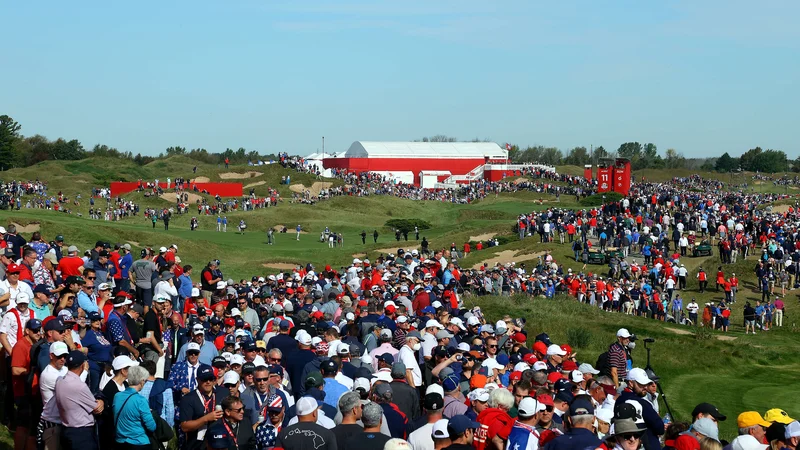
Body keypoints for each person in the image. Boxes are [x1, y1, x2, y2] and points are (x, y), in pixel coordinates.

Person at [55, 350, 104, 450]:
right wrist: (101, 402)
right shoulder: (80, 386)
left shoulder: (59, 381)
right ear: (83, 365)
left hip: (66, 430)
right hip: (81, 435)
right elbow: (97, 408)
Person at [113, 365, 156, 450]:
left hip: (120, 442)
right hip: (139, 442)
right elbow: (151, 427)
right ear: (142, 381)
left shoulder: (117, 396)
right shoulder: (141, 400)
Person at [179, 365, 223, 450]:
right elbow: (184, 426)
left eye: (210, 379)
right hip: (197, 445)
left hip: (219, 443)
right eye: (204, 379)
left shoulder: (222, 393)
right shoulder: (188, 398)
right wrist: (206, 418)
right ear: (197, 380)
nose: (208, 382)